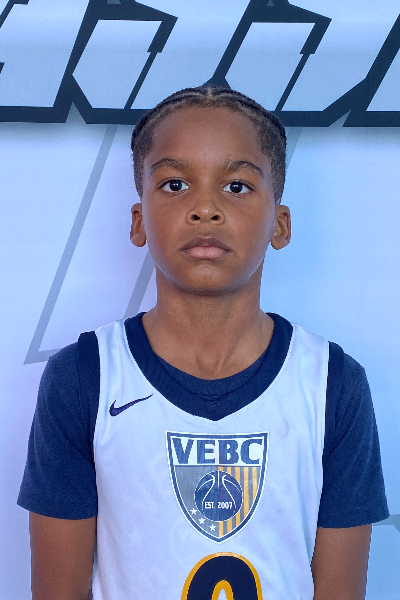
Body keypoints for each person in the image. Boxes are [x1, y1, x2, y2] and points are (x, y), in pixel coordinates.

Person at [18, 86, 389, 600]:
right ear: (138, 220)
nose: (206, 208)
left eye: (236, 186)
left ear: (280, 224)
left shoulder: (332, 383)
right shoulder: (85, 377)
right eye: (175, 184)